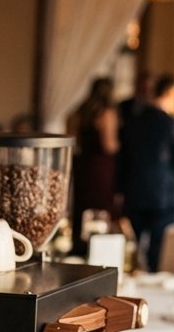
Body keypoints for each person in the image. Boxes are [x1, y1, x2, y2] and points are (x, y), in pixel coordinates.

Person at [118, 73, 174, 271]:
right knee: (155, 246)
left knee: (132, 243)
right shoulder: (168, 123)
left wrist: (119, 189)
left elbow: (122, 158)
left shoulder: (134, 121)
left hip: (135, 189)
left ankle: (133, 277)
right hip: (162, 193)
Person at [70, 77, 119, 251]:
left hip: (83, 164)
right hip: (100, 167)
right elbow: (109, 145)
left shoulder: (81, 111)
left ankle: (79, 246)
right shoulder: (106, 112)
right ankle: (98, 249)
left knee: (82, 207)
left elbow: (73, 138)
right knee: (100, 207)